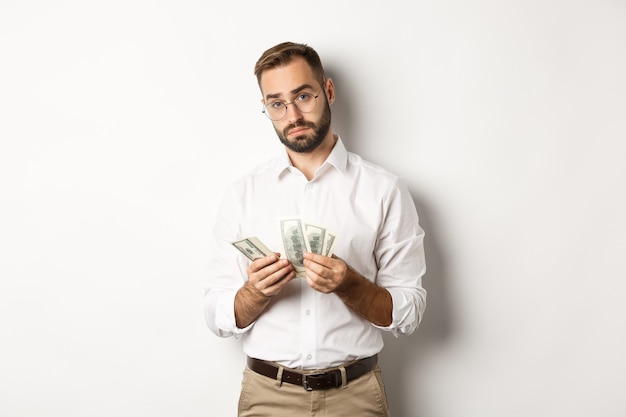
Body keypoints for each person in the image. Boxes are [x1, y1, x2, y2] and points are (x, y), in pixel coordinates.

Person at [204, 41, 427, 417]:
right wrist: (253, 294)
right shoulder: (242, 194)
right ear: (266, 109)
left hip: (354, 396)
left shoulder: (384, 190)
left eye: (303, 96)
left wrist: (350, 285)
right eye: (276, 103)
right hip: (266, 397)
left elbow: (410, 313)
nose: (292, 114)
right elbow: (216, 315)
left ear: (328, 91)